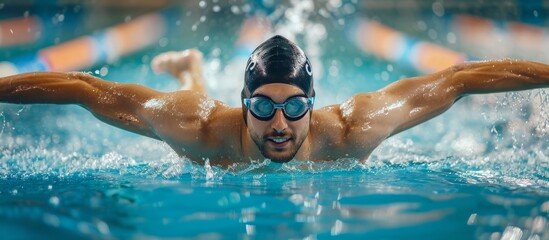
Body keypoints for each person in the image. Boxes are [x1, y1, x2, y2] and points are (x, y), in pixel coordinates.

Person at [1, 35, 548, 166]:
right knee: (191, 107)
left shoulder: (353, 129)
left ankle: (189, 64)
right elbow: (85, 89)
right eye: (262, 107)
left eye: (293, 106)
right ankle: (187, 67)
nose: (280, 123)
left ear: (314, 103)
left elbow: (457, 78)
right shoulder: (201, 129)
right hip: (203, 122)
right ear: (244, 107)